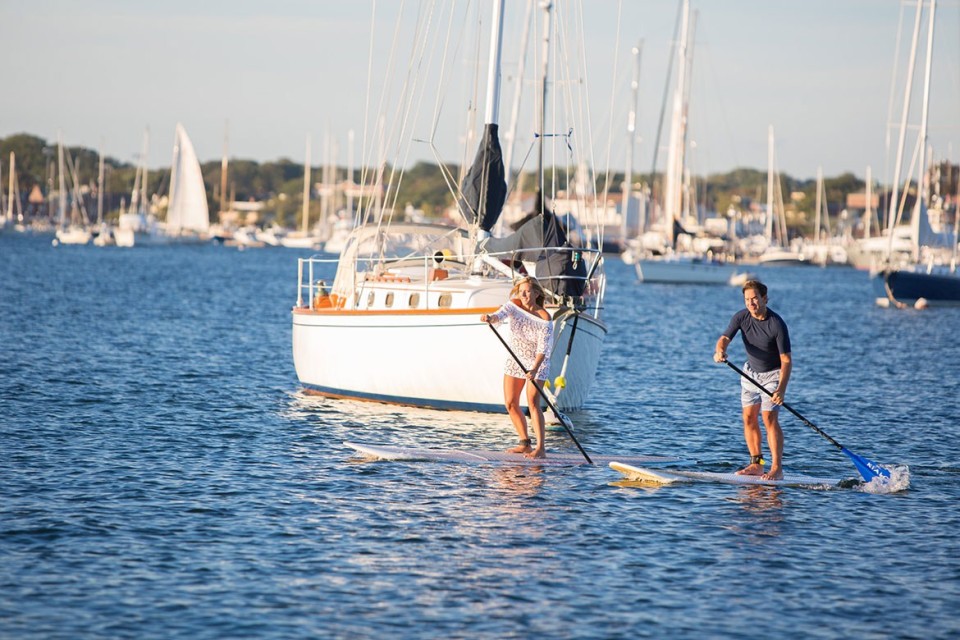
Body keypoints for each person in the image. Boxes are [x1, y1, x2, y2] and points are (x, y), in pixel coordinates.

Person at [713, 279, 792, 480]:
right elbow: (724, 338)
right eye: (747, 299)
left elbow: (786, 361)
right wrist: (720, 350)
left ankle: (776, 468)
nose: (751, 303)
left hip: (773, 375)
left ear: (765, 298)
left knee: (769, 418)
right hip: (750, 374)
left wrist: (781, 390)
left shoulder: (776, 324)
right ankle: (757, 464)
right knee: (748, 417)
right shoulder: (741, 317)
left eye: (755, 298)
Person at [481, 276, 554, 459]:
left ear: (536, 293)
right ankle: (524, 443)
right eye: (521, 290)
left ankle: (541, 449)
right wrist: (491, 318)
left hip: (538, 362)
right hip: (516, 359)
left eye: (528, 291)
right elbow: (500, 315)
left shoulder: (545, 317)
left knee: (532, 403)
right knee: (510, 403)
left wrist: (535, 369)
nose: (523, 294)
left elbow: (543, 348)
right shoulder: (514, 304)